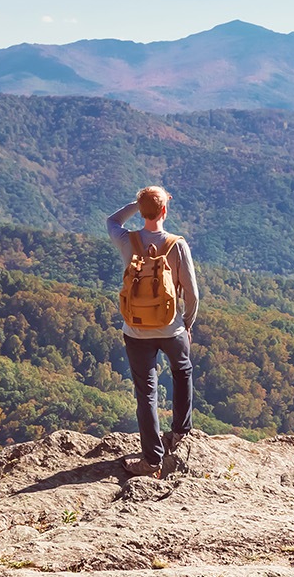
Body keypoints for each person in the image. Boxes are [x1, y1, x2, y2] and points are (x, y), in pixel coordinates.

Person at [107, 186, 199, 477]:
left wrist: (137, 205)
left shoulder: (126, 240)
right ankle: (181, 434)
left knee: (146, 393)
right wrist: (187, 324)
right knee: (182, 372)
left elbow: (112, 220)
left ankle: (151, 461)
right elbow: (193, 294)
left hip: (135, 330)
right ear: (165, 211)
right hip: (172, 328)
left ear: (142, 208)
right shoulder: (176, 245)